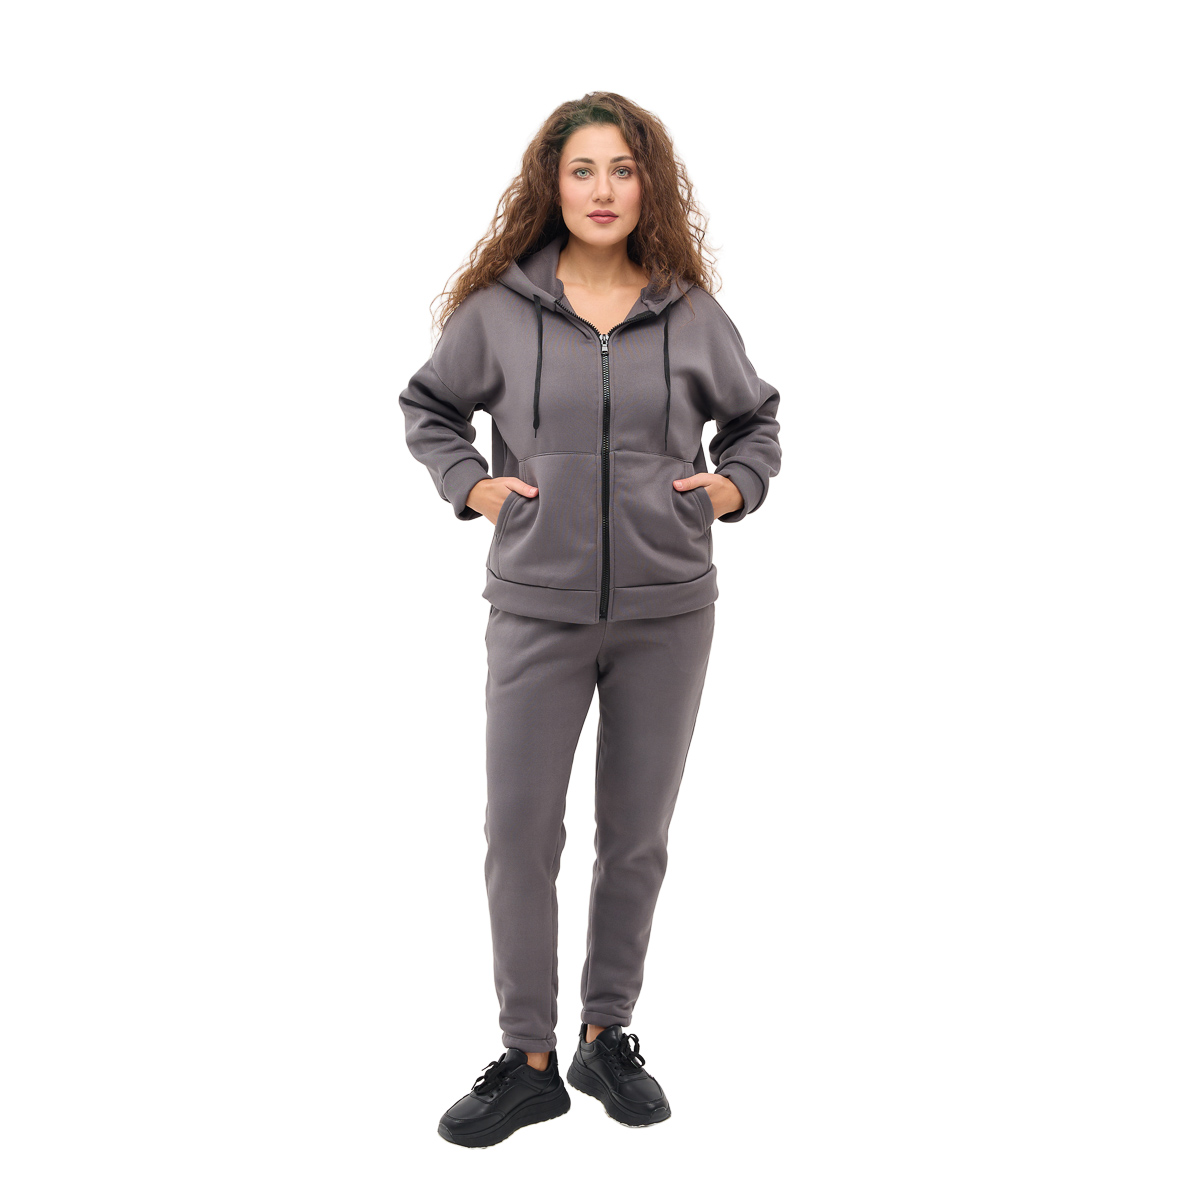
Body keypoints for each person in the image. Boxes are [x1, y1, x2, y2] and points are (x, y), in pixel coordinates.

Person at [398, 92, 783, 1148]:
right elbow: (429, 406)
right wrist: (472, 485)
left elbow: (755, 420)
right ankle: (527, 1059)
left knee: (636, 837)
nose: (603, 189)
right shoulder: (500, 311)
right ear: (553, 185)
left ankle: (606, 1036)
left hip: (670, 611)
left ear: (647, 184)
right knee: (520, 833)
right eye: (583, 170)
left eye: (622, 169)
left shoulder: (689, 313)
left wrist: (732, 489)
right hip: (535, 607)